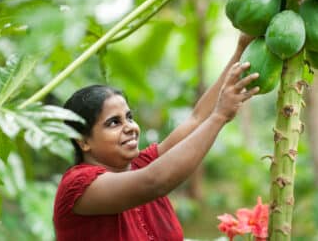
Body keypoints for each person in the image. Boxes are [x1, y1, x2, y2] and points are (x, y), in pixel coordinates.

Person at [53, 34, 259, 241]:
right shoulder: (78, 187)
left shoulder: (141, 164)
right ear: (83, 141)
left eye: (129, 117)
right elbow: (155, 181)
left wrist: (241, 49)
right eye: (113, 122)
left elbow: (196, 120)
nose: (129, 127)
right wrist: (220, 116)